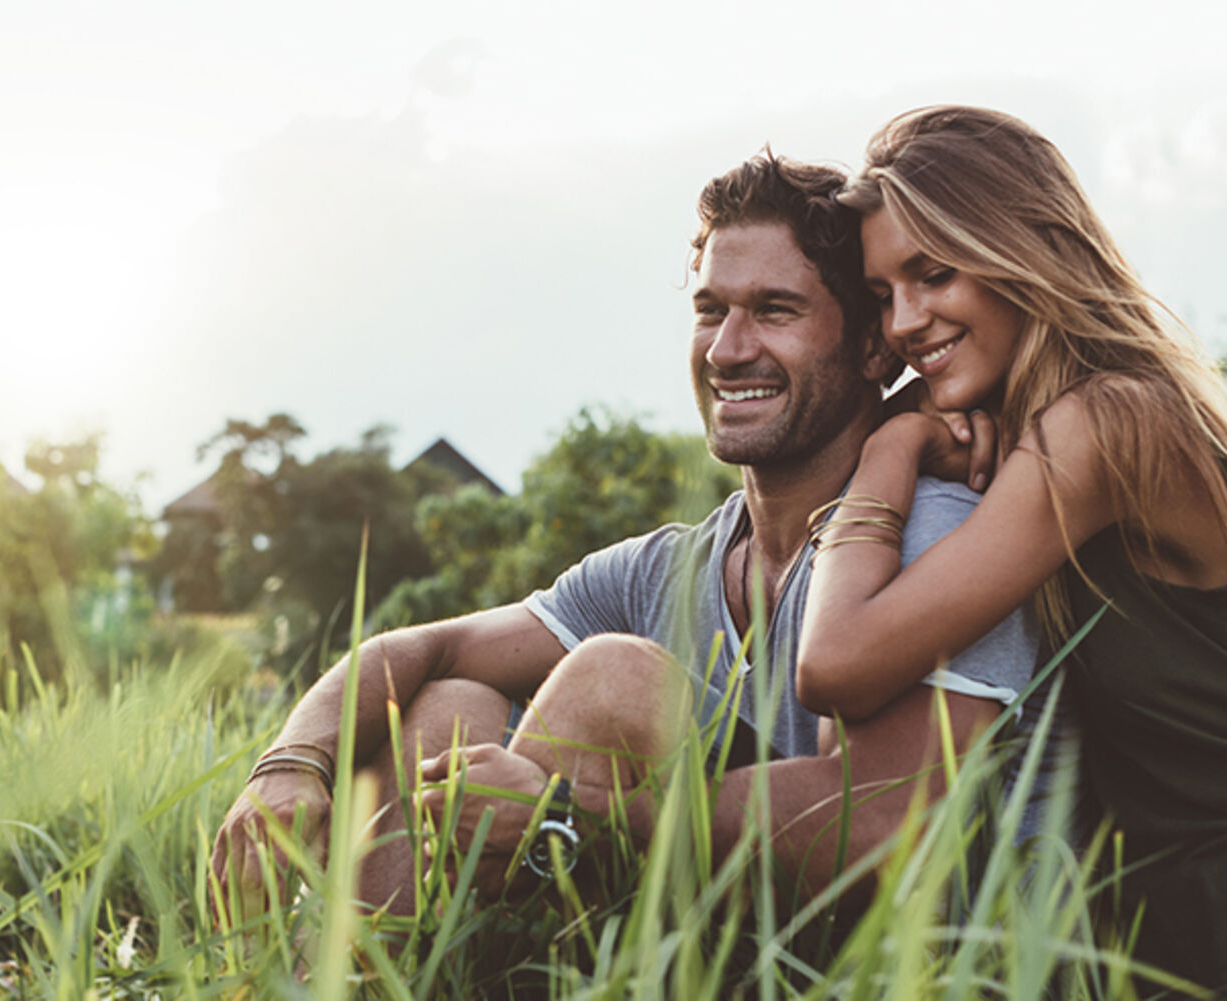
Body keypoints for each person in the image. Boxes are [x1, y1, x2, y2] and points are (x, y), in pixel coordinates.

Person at [208, 151, 1061, 929]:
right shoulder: (670, 566)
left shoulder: (932, 522)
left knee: (618, 680)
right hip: (716, 930)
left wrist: (560, 811)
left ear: (875, 347)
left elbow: (887, 832)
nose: (729, 349)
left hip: (904, 960)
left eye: (774, 310)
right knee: (448, 706)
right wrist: (289, 762)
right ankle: (362, 978)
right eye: (710, 310)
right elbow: (431, 645)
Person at [793, 106, 1227, 998]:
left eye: (932, 274)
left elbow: (836, 661)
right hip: (1187, 963)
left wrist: (888, 452)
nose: (903, 323)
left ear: (1021, 251)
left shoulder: (1108, 425)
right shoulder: (1045, 436)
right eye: (884, 294)